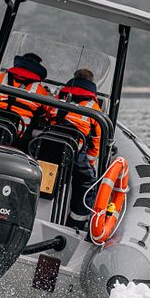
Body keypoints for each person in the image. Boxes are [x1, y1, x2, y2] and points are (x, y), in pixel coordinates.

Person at [52, 68, 103, 230]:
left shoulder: (59, 96)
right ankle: (77, 223)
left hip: (47, 143)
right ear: (91, 83)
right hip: (73, 150)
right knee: (87, 180)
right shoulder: (93, 107)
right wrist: (91, 159)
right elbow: (96, 138)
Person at [0, 53, 52, 143]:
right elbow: (44, 113)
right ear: (38, 69)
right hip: (18, 135)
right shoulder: (40, 90)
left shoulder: (0, 78)